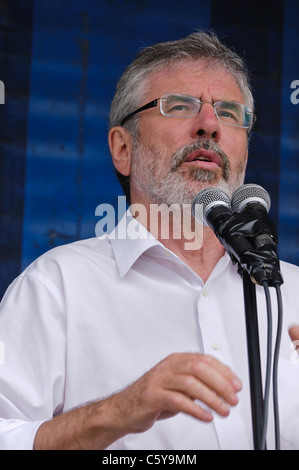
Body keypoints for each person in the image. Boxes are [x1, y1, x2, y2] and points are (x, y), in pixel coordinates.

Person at [0, 31, 299, 451]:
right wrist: (116, 412)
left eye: (230, 112)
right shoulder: (56, 288)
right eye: (179, 106)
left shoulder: (292, 292)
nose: (210, 125)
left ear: (245, 154)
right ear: (123, 149)